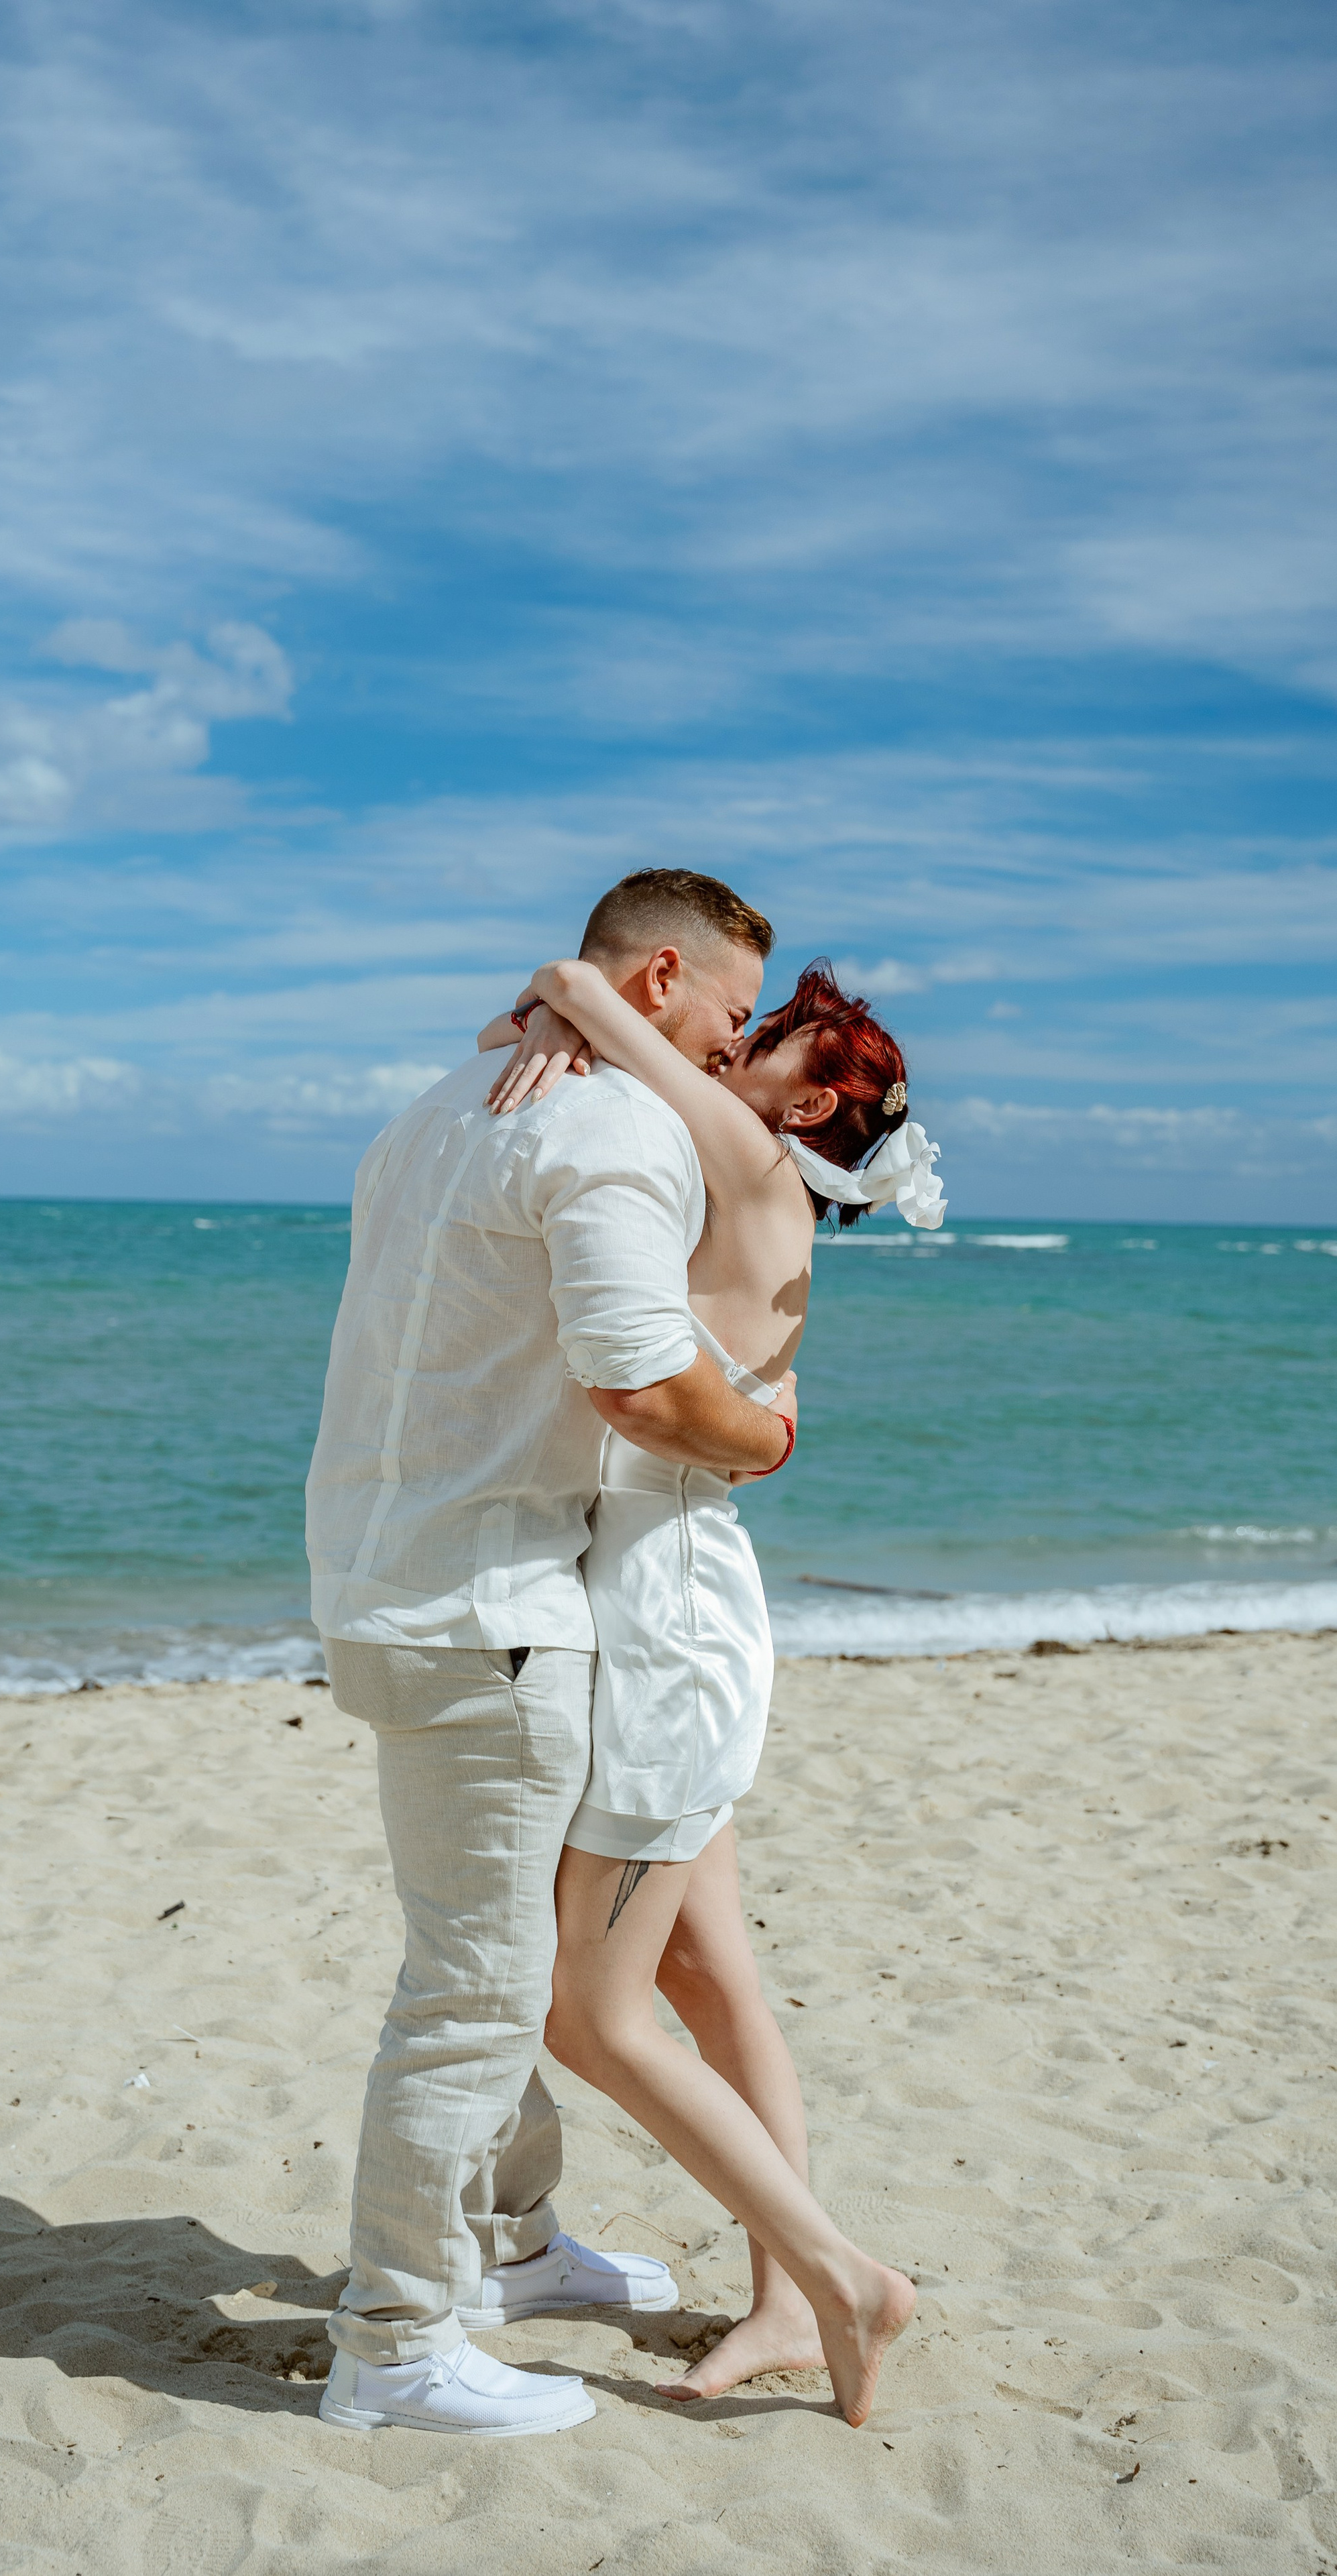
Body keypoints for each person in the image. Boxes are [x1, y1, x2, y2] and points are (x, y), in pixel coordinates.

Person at [305, 869, 795, 2437]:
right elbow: (640, 1386)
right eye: (728, 1012)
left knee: (490, 1949)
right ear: (658, 979)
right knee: (472, 1990)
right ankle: (393, 2345)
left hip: (377, 1578)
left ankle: (509, 2251)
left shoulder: (437, 1105)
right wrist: (767, 1437)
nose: (735, 1045)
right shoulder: (607, 1127)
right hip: (492, 1610)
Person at [480, 954, 942, 2413]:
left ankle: (836, 2276)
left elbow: (586, 996)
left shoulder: (746, 1156)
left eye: (767, 1033)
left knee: (588, 2015)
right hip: (676, 1587)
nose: (732, 1040)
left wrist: (569, 1000)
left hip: (669, 1616)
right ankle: (783, 2307)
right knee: (706, 1972)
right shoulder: (752, 1175)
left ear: (806, 1093)